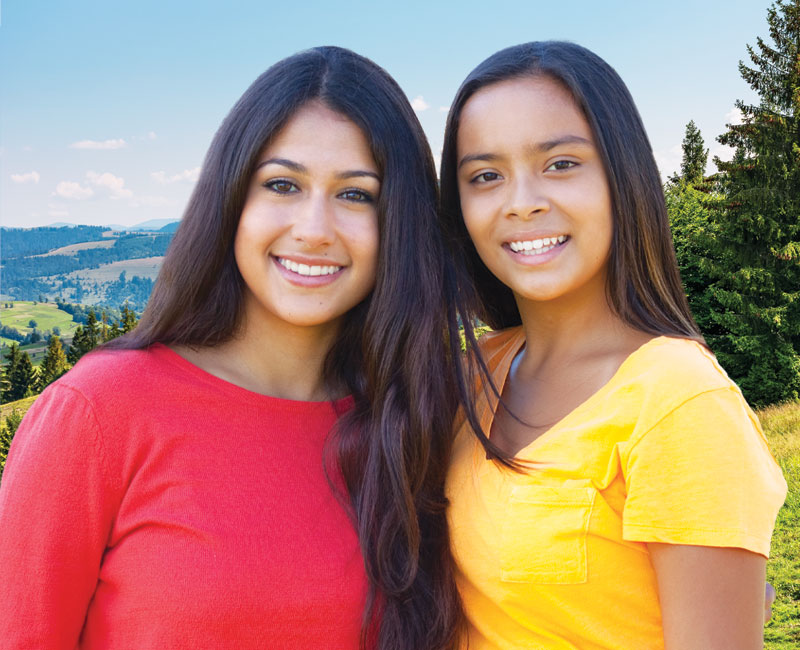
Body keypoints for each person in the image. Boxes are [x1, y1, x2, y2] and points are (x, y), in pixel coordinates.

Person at [0, 46, 469, 650]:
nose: (314, 228)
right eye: (282, 184)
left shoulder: (426, 416)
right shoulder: (98, 413)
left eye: (356, 194)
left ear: (400, 223)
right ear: (231, 201)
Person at [439, 41, 787, 650]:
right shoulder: (474, 372)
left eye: (561, 164)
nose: (522, 202)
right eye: (486, 176)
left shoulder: (678, 400)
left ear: (621, 176)